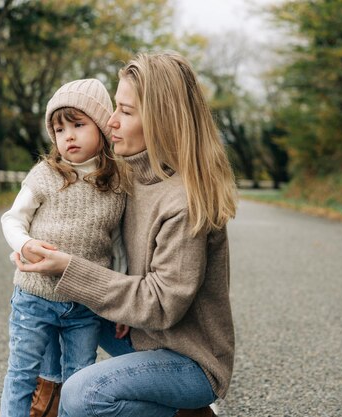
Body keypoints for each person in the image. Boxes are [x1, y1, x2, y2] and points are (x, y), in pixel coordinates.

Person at [14, 51, 238, 416]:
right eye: (114, 107)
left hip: (189, 359)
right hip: (145, 336)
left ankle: (183, 409)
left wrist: (68, 268)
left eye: (126, 112)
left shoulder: (183, 200)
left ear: (161, 121)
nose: (110, 121)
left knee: (84, 394)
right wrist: (33, 246)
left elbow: (162, 304)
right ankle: (45, 400)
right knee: (57, 308)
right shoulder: (130, 177)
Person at [0, 78, 126, 417]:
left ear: (100, 126)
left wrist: (120, 307)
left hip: (84, 306)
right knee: (23, 373)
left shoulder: (115, 184)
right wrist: (25, 244)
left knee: (78, 381)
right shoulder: (45, 174)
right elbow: (12, 219)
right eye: (59, 128)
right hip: (34, 298)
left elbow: (117, 248)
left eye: (78, 125)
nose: (68, 135)